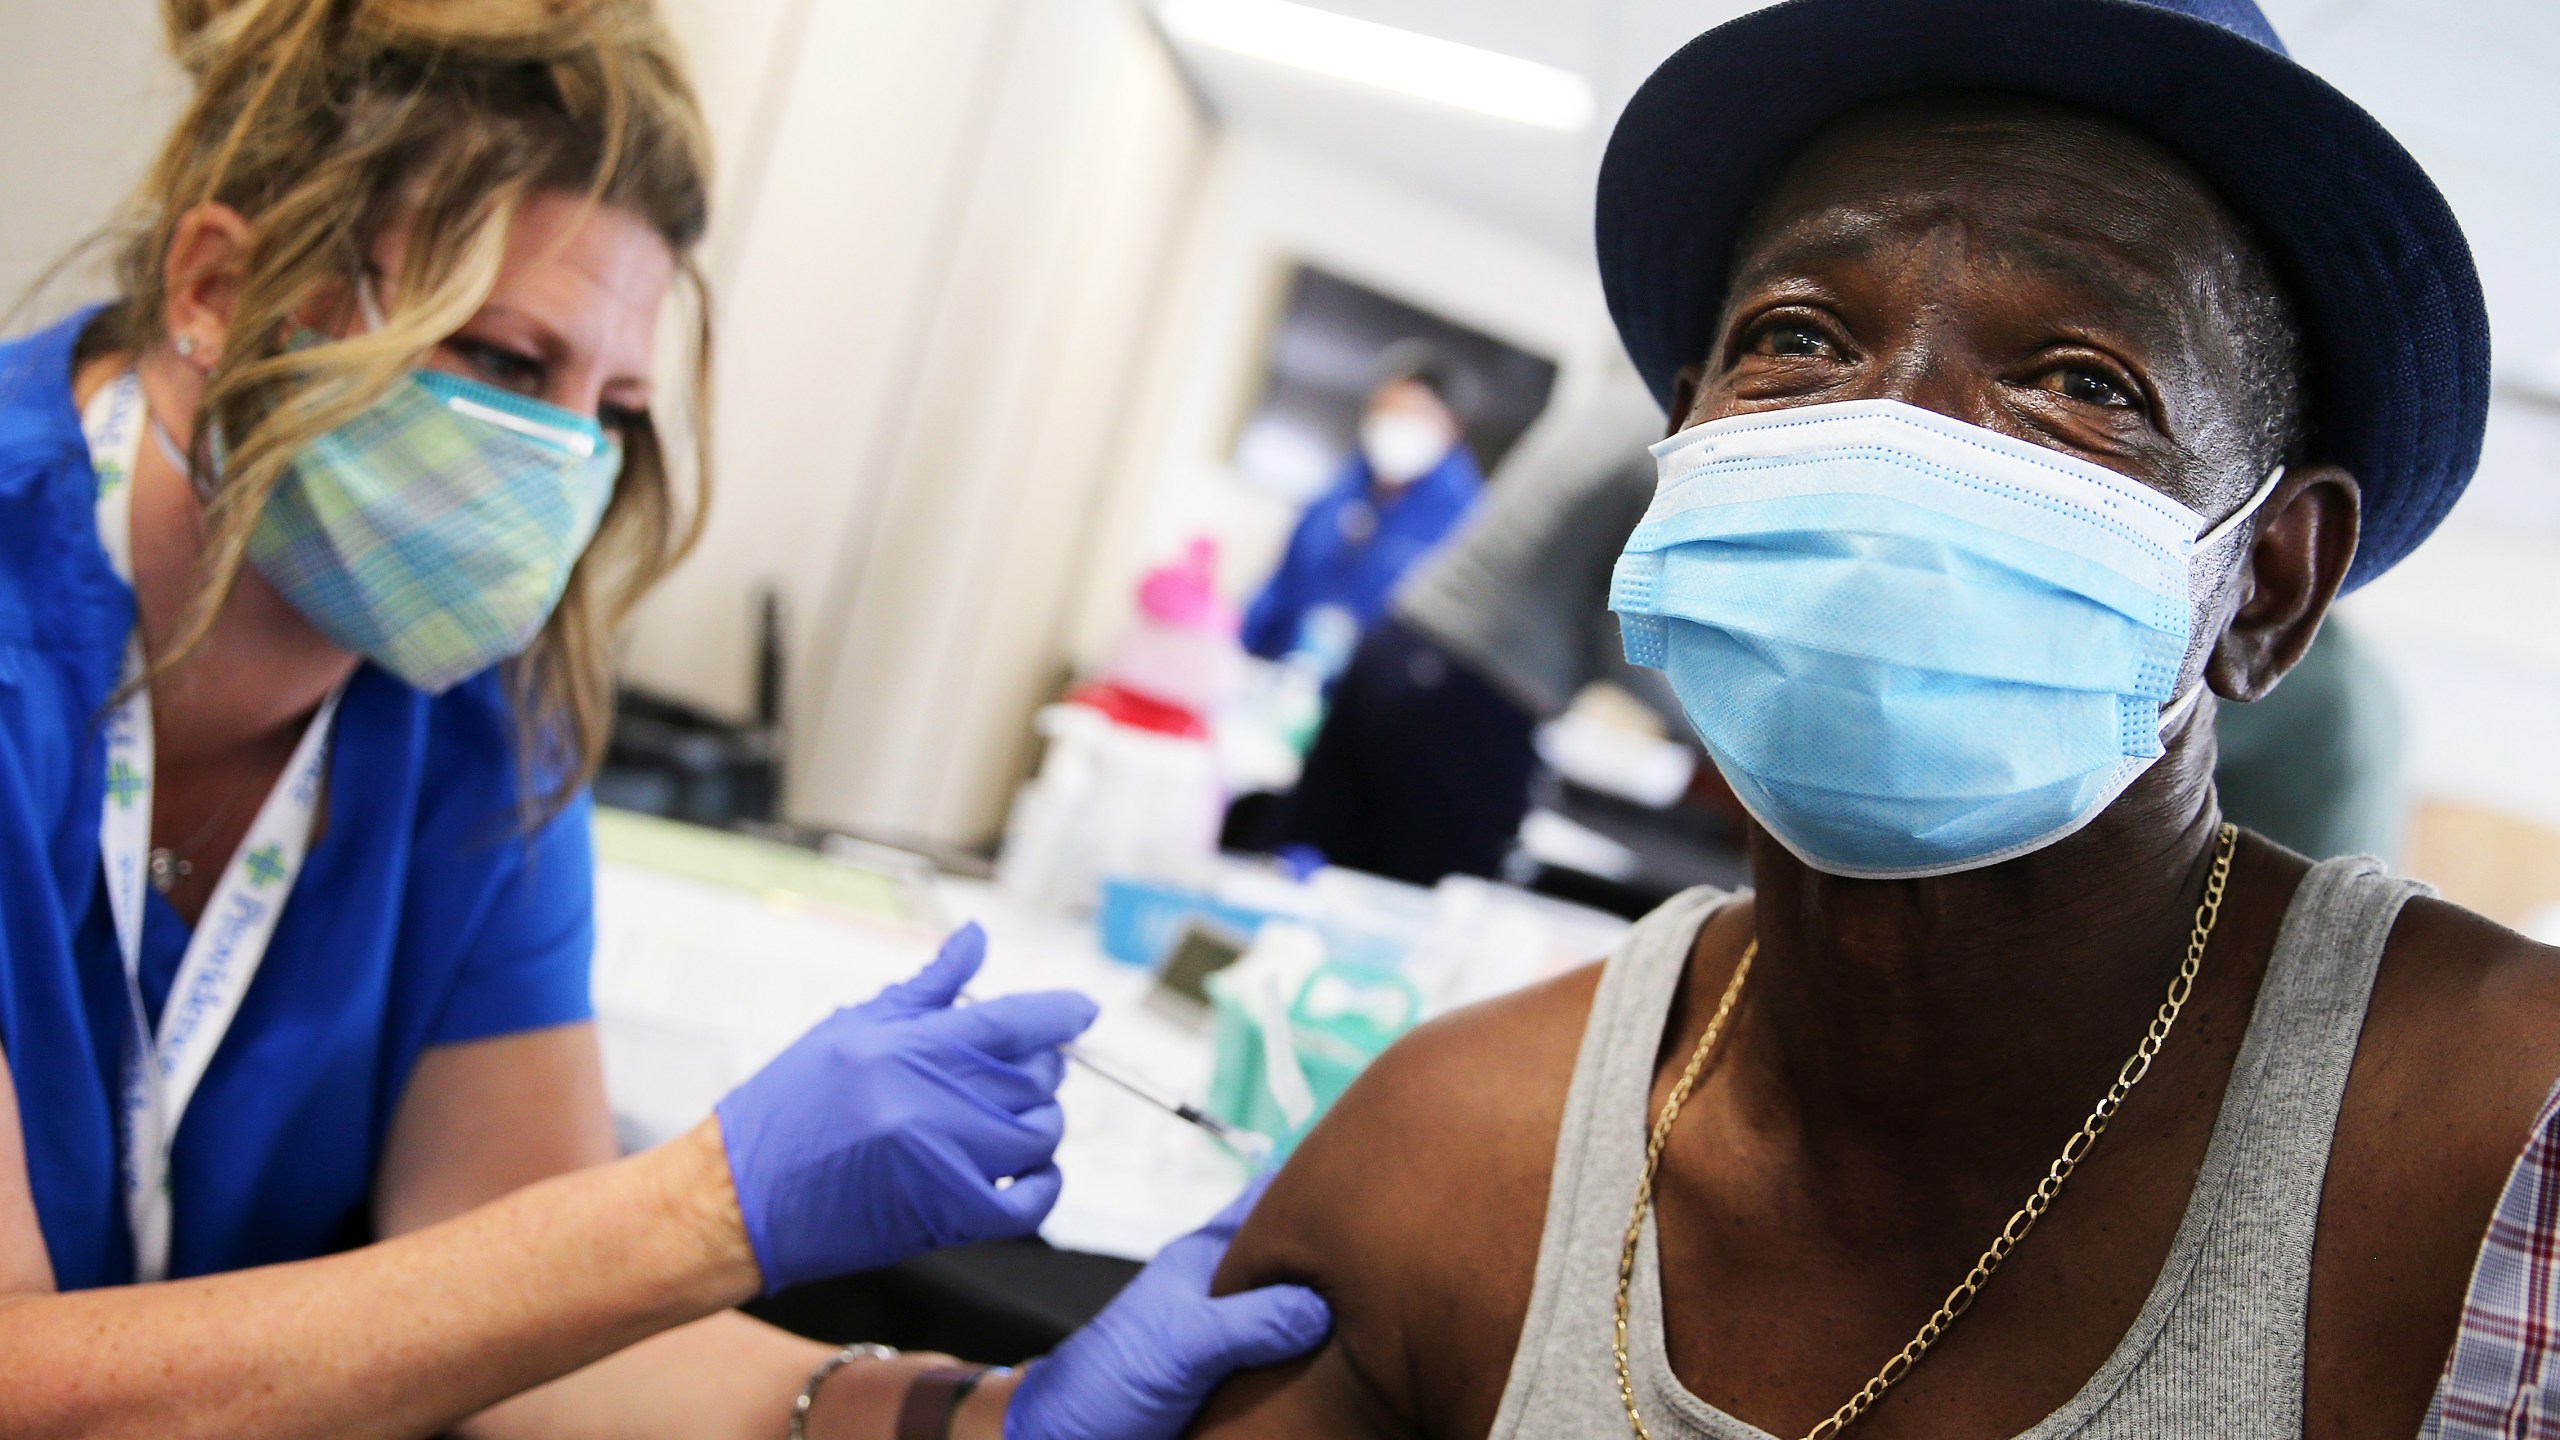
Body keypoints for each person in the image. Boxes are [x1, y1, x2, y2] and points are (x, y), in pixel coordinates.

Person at [1190, 1, 2559, 1437]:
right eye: (1800, 337)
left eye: (2083, 382)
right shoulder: (1459, 1156)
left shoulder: (2501, 1158)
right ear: (1684, 450)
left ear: (2269, 581)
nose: (1895, 432)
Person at [0, 3, 1324, 1438]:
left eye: (615, 407)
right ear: (215, 283)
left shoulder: (479, 712)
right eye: (509, 362)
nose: (566, 459)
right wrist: (702, 1205)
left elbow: (529, 1319)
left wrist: (972, 1415)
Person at [1275, 418, 1673, 885]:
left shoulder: (1615, 409)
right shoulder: (1667, 448)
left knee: (1300, 867)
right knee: (1431, 912)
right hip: (1470, 693)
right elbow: (1625, 629)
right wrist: (1714, 727)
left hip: (1398, 644)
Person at [1238, 345, 1483, 670]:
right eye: (1388, 410)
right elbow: (1283, 584)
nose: (1398, 425)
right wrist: (1236, 643)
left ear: (1452, 428)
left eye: (1415, 415)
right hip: (1286, 676)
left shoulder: (1469, 523)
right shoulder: (1338, 490)